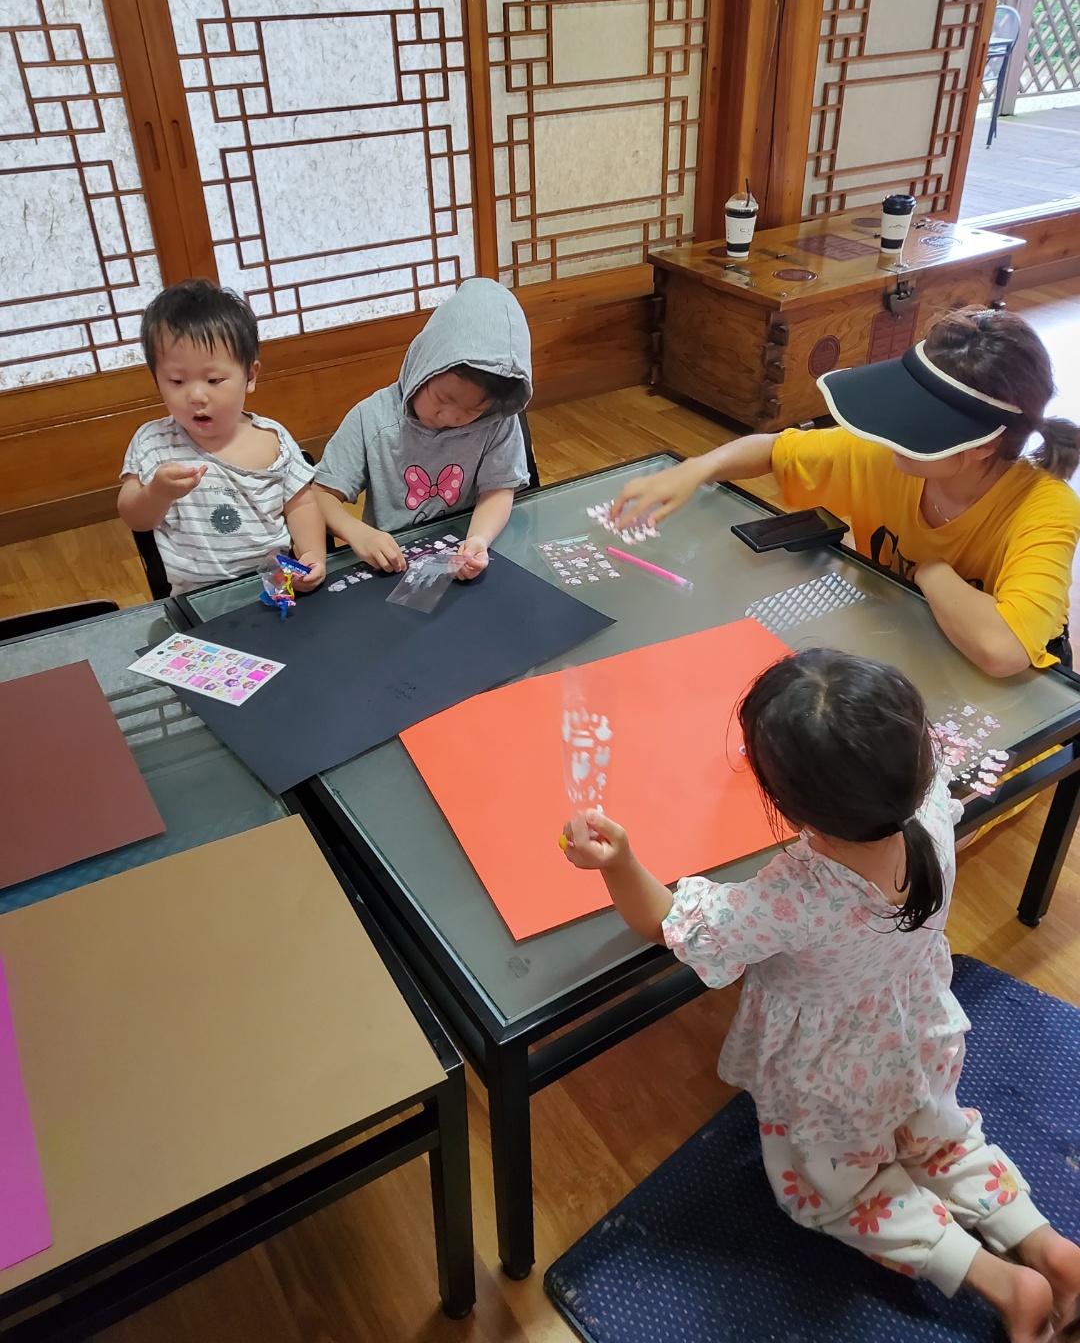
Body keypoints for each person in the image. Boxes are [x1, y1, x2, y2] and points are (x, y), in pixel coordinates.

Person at [561, 649, 1080, 1343]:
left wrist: (620, 862)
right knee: (940, 1135)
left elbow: (672, 925)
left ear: (782, 803)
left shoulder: (797, 895)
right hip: (919, 1025)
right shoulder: (928, 803)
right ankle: (1047, 1246)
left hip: (832, 1071)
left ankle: (1001, 1281)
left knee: (831, 1189)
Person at [613, 310, 1080, 675]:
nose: (893, 431)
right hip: (900, 637)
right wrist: (699, 468)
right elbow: (774, 451)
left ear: (984, 445)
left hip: (998, 681)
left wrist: (930, 572)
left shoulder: (1045, 508)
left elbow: (1002, 650)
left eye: (917, 425)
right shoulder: (891, 457)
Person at [314, 277, 532, 578]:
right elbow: (320, 495)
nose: (450, 416)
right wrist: (357, 533)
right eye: (442, 398)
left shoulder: (495, 423)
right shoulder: (372, 419)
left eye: (472, 410)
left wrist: (478, 541)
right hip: (390, 566)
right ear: (424, 366)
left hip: (457, 559)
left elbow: (498, 490)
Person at [118, 279, 325, 595]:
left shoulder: (272, 439)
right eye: (177, 381)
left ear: (250, 376)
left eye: (214, 380)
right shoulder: (153, 443)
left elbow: (301, 503)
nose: (196, 396)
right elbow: (135, 518)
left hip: (274, 585)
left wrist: (312, 554)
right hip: (196, 596)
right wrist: (157, 493)